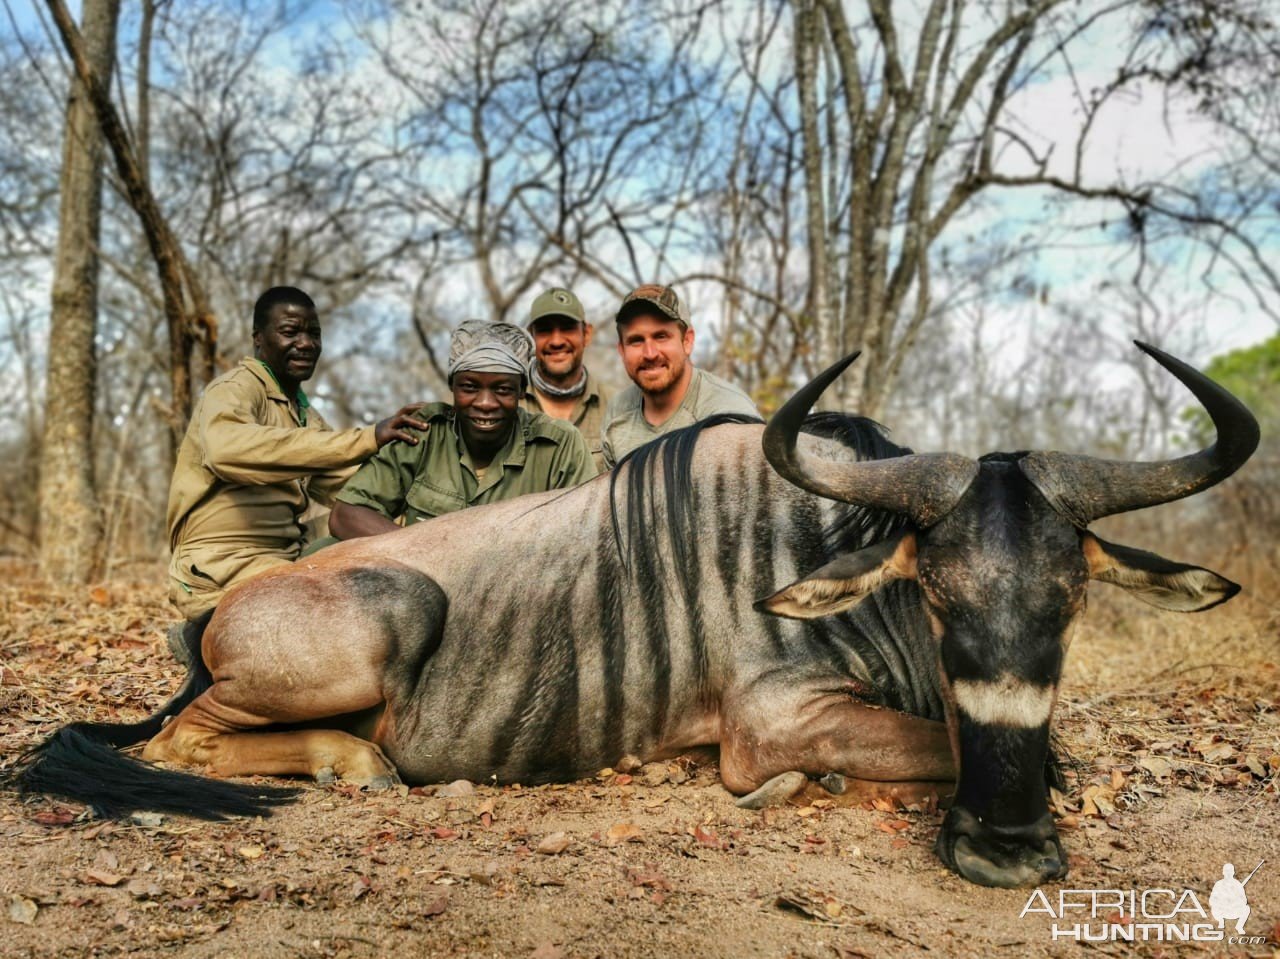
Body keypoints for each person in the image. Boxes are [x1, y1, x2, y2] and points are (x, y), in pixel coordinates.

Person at [167, 286, 428, 622]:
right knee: (338, 607)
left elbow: (352, 489)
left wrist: (425, 509)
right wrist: (366, 438)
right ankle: (200, 637)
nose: (306, 344)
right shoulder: (233, 389)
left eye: (314, 334)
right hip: (218, 565)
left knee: (363, 551)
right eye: (290, 332)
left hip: (285, 557)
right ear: (258, 338)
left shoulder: (306, 415)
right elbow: (225, 450)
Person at [329, 320, 595, 538]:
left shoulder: (559, 445)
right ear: (452, 387)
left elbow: (585, 534)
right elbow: (347, 514)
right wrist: (426, 557)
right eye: (469, 387)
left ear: (521, 392)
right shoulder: (423, 432)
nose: (486, 403)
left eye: (503, 389)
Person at [601, 283, 758, 467]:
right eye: (636, 341)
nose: (650, 353)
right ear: (621, 350)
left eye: (661, 336)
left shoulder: (729, 413)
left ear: (687, 341)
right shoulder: (617, 413)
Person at [520, 287, 612, 472]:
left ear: (586, 334)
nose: (556, 341)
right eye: (545, 330)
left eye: (567, 328)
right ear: (531, 337)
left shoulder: (616, 407)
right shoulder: (509, 405)